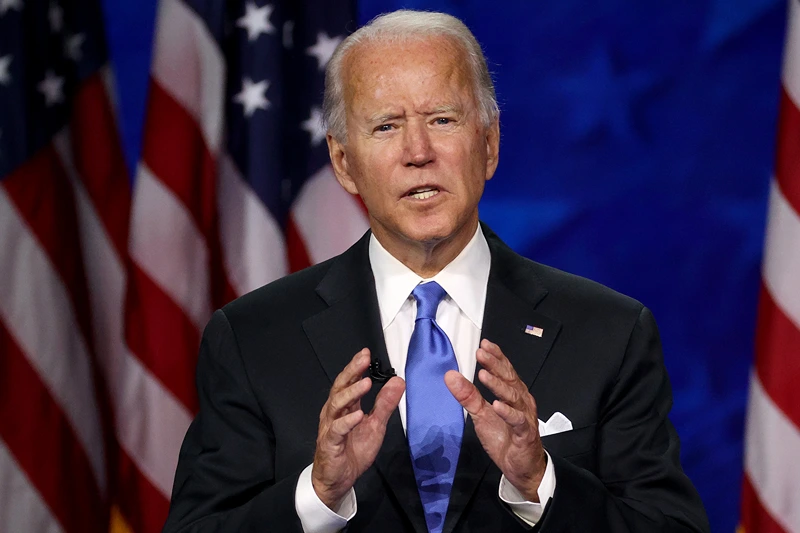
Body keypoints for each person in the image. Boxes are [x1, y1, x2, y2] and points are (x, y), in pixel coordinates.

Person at [163, 10, 710, 533]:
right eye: (386, 126)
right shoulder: (254, 338)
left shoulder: (609, 333)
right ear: (343, 162)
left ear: (490, 144)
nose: (418, 151)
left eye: (443, 119)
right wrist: (318, 496)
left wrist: (541, 481)